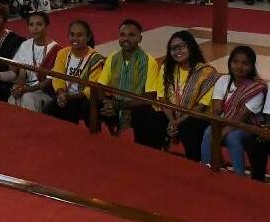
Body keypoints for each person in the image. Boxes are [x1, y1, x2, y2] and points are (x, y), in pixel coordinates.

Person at [132, 31, 218, 160]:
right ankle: (149, 157)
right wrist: (172, 120)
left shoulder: (207, 72)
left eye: (181, 47)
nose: (177, 51)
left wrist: (177, 122)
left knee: (189, 126)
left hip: (195, 116)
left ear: (191, 46)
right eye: (172, 49)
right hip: (171, 113)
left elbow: (201, 106)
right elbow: (162, 98)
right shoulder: (167, 68)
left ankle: (194, 164)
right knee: (147, 115)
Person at [201, 45, 267, 175]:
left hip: (247, 126)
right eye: (235, 62)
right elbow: (216, 111)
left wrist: (220, 135)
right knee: (209, 131)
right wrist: (217, 130)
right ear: (230, 63)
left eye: (245, 63)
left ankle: (239, 176)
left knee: (232, 137)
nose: (239, 67)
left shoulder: (256, 88)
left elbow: (240, 118)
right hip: (224, 121)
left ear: (252, 66)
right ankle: (207, 169)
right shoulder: (223, 80)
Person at [95, 20, 159, 139]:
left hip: (136, 106)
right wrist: (106, 103)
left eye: (131, 35)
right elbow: (100, 85)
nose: (126, 39)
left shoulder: (149, 62)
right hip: (114, 102)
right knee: (91, 102)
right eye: (122, 35)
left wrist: (118, 105)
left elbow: (150, 97)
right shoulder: (112, 58)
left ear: (140, 38)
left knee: (144, 113)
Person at [46, 20, 106, 125]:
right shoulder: (63, 53)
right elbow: (57, 76)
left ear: (88, 37)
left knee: (71, 108)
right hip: (64, 95)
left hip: (85, 99)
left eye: (80, 35)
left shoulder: (96, 58)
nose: (75, 38)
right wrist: (61, 93)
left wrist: (68, 97)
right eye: (72, 34)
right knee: (48, 111)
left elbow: (92, 87)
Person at [9, 12, 63, 112]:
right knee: (13, 97)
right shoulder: (25, 45)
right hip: (26, 88)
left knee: (28, 98)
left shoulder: (58, 51)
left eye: (39, 24)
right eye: (31, 25)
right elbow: (22, 74)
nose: (35, 28)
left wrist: (25, 90)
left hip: (46, 92)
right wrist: (18, 87)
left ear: (46, 26)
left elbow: (46, 83)